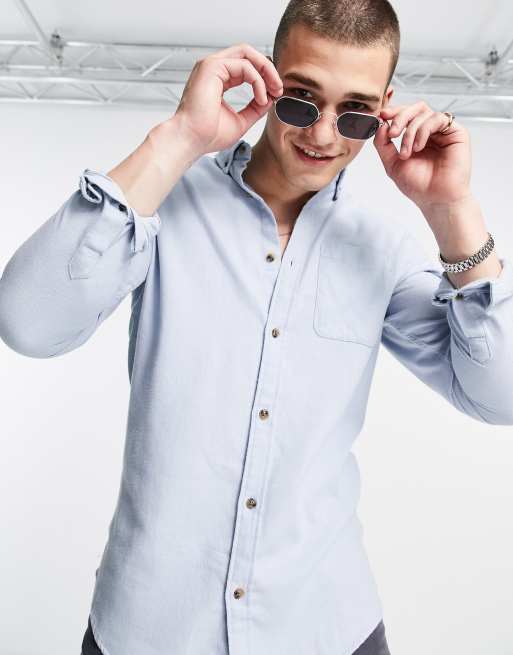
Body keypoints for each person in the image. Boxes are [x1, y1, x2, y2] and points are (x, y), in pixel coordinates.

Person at [1, 0, 512, 653]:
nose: (322, 134)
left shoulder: (381, 250)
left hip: (324, 628)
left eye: (354, 112)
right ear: (268, 78)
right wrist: (180, 136)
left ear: (384, 108)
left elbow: (500, 396)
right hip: (151, 631)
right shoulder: (162, 202)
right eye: (301, 100)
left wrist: (451, 209)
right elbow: (28, 322)